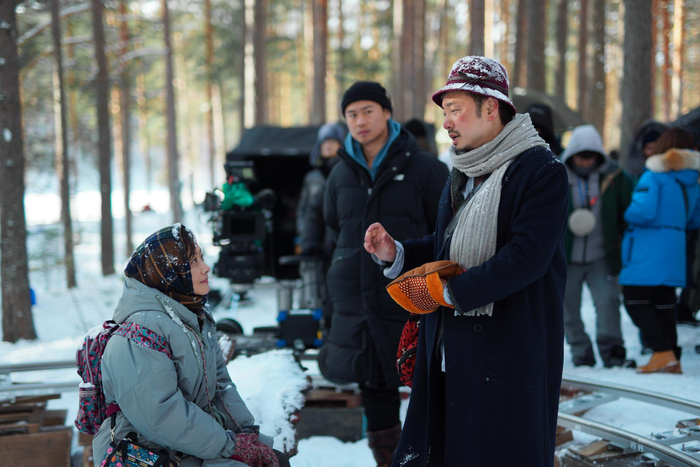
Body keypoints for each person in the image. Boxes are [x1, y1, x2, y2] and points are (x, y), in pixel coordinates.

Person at [364, 56, 569, 467]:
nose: (446, 123)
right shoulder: (464, 170)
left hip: (506, 352)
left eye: (455, 110)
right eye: (445, 112)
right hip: (450, 351)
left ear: (491, 107)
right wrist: (397, 252)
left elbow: (525, 258)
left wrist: (451, 292)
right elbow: (447, 246)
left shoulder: (542, 170)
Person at [320, 81, 448, 466]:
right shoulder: (339, 174)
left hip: (410, 299)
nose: (360, 121)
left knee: (430, 387)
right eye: (351, 114)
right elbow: (333, 230)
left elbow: (445, 232)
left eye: (368, 111)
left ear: (387, 113)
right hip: (357, 303)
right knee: (375, 390)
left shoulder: (426, 169)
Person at [92, 224, 285, 467]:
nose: (205, 267)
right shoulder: (138, 334)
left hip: (190, 446)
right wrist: (231, 447)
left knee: (278, 461)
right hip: (146, 454)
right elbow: (160, 416)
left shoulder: (193, 318)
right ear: (168, 271)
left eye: (201, 258)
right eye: (193, 261)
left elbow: (220, 386)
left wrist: (246, 433)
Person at [621, 128, 700, 374]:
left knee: (634, 299)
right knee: (664, 303)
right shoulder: (692, 180)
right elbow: (695, 219)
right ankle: (671, 358)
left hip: (649, 246)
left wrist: (626, 212)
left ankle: (662, 350)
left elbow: (641, 212)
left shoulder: (654, 176)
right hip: (676, 246)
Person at [560, 124, 635, 368]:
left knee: (608, 301)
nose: (584, 162)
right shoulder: (555, 174)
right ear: (571, 154)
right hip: (565, 257)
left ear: (598, 155)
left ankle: (613, 352)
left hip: (601, 255)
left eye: (590, 156)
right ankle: (581, 353)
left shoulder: (614, 177)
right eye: (580, 156)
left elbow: (628, 210)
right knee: (567, 307)